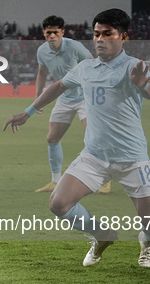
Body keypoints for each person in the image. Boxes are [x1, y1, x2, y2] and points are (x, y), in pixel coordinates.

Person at [3, 8, 150, 267]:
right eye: (96, 34)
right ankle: (102, 235)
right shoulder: (85, 67)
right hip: (94, 156)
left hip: (132, 158)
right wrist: (28, 112)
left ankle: (148, 242)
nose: (99, 39)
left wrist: (143, 85)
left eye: (107, 34)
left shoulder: (134, 66)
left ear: (123, 37)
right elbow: (58, 86)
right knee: (58, 204)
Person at [33, 16, 113, 194]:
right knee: (52, 138)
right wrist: (38, 98)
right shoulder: (42, 51)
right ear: (44, 33)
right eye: (48, 32)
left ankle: (105, 180)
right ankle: (55, 181)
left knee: (93, 139)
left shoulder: (75, 47)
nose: (52, 35)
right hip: (64, 98)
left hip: (85, 97)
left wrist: (99, 91)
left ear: (62, 32)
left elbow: (94, 64)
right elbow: (42, 73)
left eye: (55, 32)